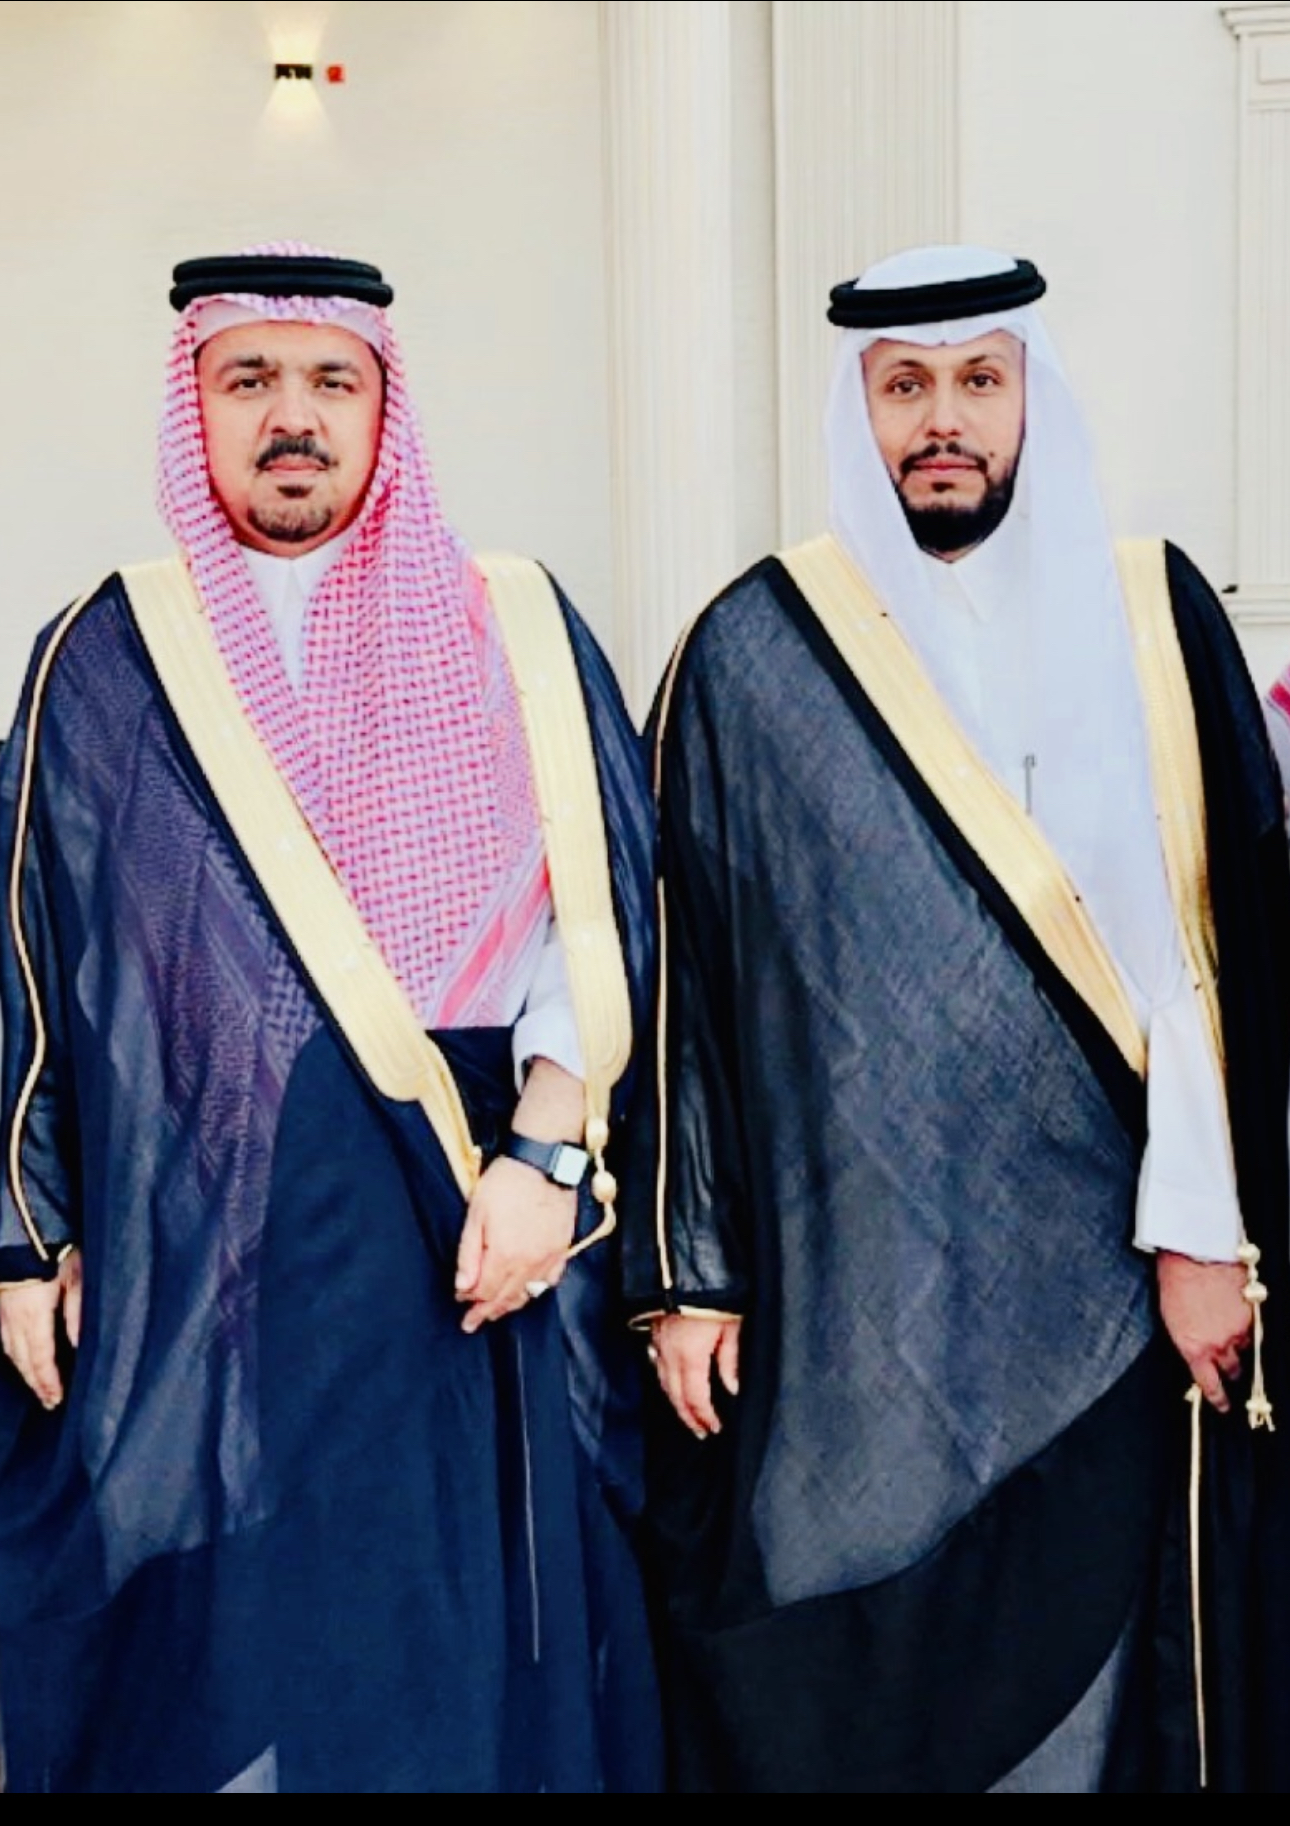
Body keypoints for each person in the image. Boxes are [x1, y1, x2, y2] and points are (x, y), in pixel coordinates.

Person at [623, 245, 1290, 1792]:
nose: (942, 419)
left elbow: (1222, 955)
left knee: (1116, 1649)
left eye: (978, 380)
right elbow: (689, 973)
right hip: (860, 1269)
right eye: (903, 385)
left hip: (1116, 1260)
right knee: (872, 1645)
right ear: (852, 407)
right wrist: (689, 1270)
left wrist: (1211, 1231)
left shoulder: (1150, 613)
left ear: (1029, 394)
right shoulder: (755, 648)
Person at [0, 244, 661, 1793]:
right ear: (196, 404)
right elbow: (26, 958)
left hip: (472, 1211)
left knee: (455, 1623)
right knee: (227, 1628)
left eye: (328, 382)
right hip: (201, 1226)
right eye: (249, 380)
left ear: (382, 406)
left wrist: (546, 1160)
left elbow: (600, 914)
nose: (290, 416)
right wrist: (26, 1238)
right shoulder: (106, 650)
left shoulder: (512, 623)